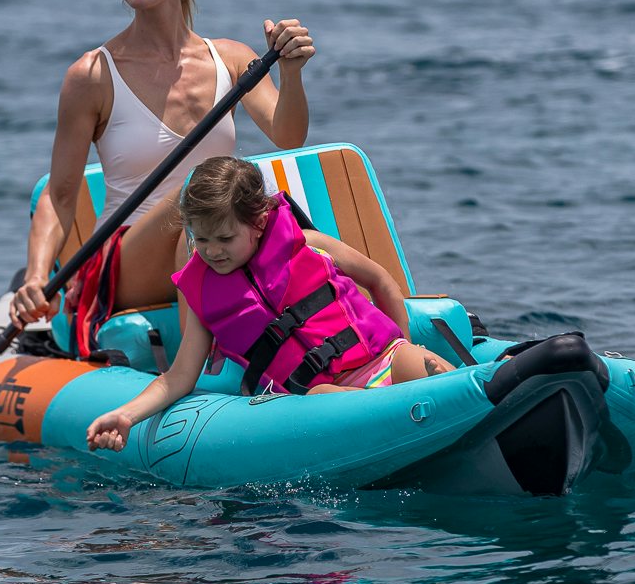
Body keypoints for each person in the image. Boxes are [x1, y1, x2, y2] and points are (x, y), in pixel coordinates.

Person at [9, 0, 316, 339]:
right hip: (127, 262)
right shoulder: (92, 76)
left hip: (211, 238)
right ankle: (199, 367)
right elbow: (59, 197)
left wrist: (290, 73)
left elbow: (289, 137)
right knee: (206, 188)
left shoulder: (231, 60)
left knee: (255, 206)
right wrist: (37, 278)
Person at [87, 156, 452, 451]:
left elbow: (380, 281)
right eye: (201, 240)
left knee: (426, 365)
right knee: (324, 395)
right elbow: (178, 379)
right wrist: (126, 416)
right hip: (322, 394)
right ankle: (408, 429)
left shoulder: (310, 245)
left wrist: (401, 343)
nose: (212, 251)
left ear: (260, 221)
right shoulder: (204, 296)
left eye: (225, 238)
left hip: (382, 358)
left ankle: (479, 402)